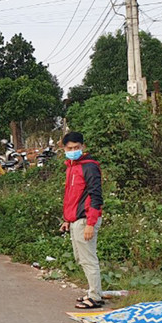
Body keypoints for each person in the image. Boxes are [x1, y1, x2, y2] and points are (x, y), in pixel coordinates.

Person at [59, 131, 104, 309]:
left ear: (83, 147)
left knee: (88, 258)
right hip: (76, 220)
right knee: (81, 258)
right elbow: (72, 197)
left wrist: (91, 224)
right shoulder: (71, 166)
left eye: (77, 147)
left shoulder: (89, 167)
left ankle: (95, 297)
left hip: (86, 219)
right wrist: (67, 220)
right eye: (70, 148)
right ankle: (93, 292)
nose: (73, 150)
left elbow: (95, 196)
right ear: (64, 148)